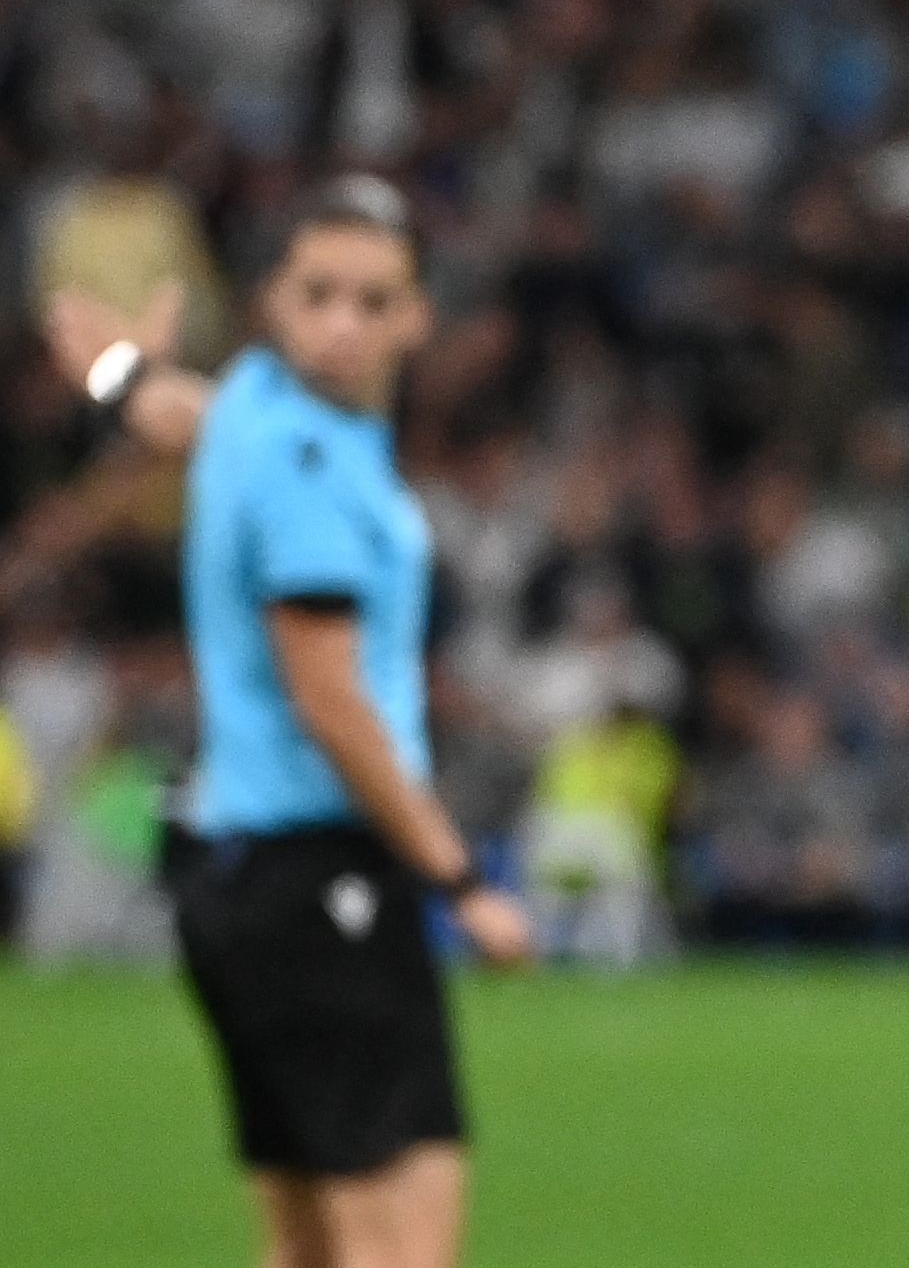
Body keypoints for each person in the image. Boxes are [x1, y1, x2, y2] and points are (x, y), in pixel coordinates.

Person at [47, 176, 536, 1268]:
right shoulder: (312, 463)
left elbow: (186, 415)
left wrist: (120, 377)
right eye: (318, 294)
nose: (343, 325)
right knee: (398, 1243)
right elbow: (329, 701)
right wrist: (459, 881)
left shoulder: (264, 413)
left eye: (373, 300)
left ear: (418, 316)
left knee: (306, 1245)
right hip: (322, 876)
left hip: (241, 878)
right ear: (270, 300)